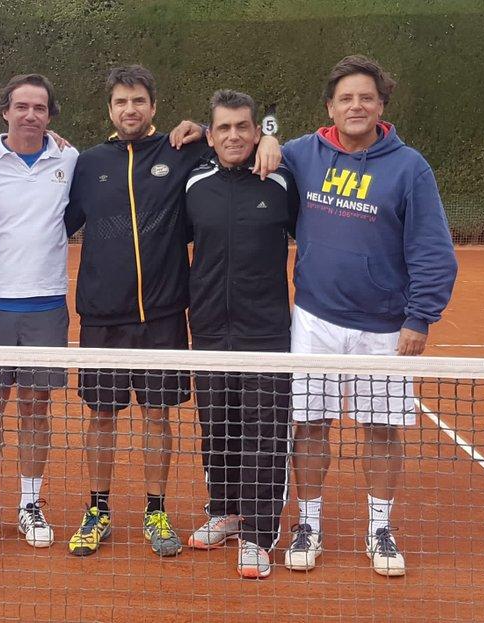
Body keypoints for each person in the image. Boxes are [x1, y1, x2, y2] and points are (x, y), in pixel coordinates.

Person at [63, 65, 282, 558]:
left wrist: (271, 136)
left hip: (163, 315)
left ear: (154, 106)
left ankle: (155, 511)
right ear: (110, 110)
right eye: (121, 102)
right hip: (102, 316)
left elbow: (234, 139)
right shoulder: (88, 163)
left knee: (157, 416)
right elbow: (56, 220)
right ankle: (98, 509)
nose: (130, 109)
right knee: (101, 416)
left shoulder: (182, 152)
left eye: (139, 100)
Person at [280, 55, 458, 576]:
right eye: (345, 98)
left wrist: (419, 317)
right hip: (314, 321)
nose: (355, 106)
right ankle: (307, 521)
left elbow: (434, 250)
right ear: (330, 107)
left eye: (366, 97)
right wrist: (201, 130)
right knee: (309, 426)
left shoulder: (409, 168)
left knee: (381, 429)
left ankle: (379, 525)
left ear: (381, 104)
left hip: (383, 328)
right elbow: (236, 142)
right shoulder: (301, 154)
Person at [184, 89, 298, 578]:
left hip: (266, 330)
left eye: (244, 127)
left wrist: (277, 137)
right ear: (211, 136)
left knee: (265, 434)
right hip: (209, 328)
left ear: (256, 132)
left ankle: (258, 533)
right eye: (224, 128)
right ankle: (224, 512)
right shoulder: (193, 182)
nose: (234, 135)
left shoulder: (284, 182)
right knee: (219, 428)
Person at [0, 74, 78, 549]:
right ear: (5, 111)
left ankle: (30, 502)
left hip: (47, 306)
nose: (30, 115)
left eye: (40, 108)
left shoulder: (70, 159)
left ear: (50, 115)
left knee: (36, 408)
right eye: (21, 106)